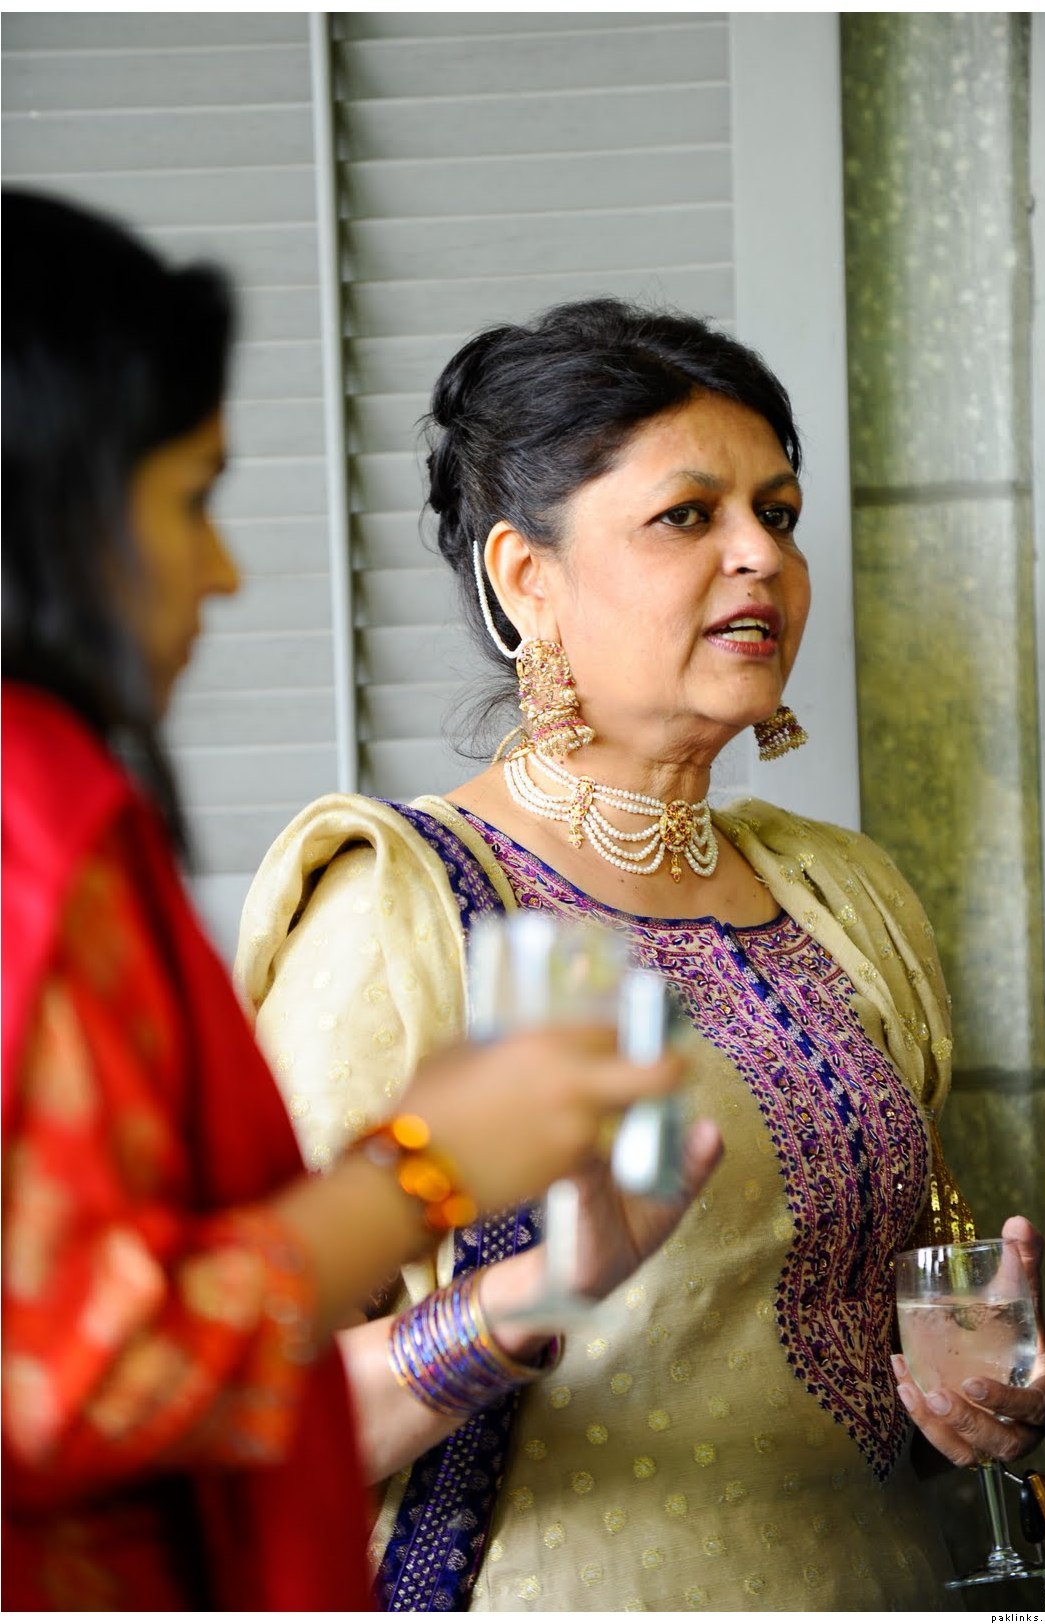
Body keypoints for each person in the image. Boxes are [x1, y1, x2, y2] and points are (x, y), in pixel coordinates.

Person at [236, 301, 1045, 1611]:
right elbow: (242, 1415)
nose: (763, 556)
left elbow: (893, 1319)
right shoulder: (406, 908)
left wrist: (980, 1399)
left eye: (779, 514)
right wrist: (525, 1302)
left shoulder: (841, 895)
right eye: (688, 515)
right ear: (527, 577)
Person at [0, 196, 712, 1613]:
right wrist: (425, 1173)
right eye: (191, 499)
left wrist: (539, 1279)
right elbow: (83, 1364)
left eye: (779, 514)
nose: (225, 571)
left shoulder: (842, 896)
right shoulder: (69, 834)